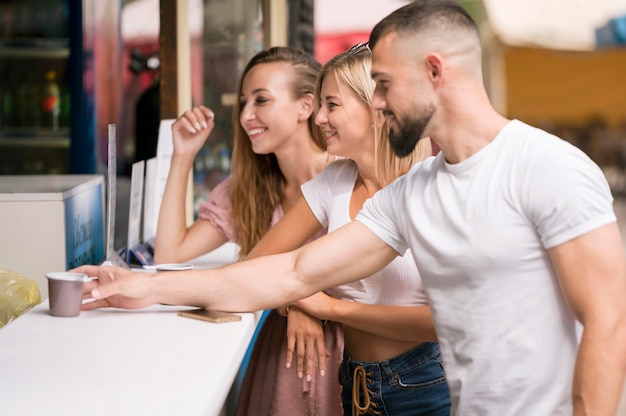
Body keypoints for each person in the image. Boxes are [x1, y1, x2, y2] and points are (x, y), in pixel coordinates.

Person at [77, 1, 626, 415]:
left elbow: (608, 320)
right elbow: (292, 270)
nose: (378, 101)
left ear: (435, 72)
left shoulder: (547, 166)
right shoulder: (415, 193)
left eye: (383, 84)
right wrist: (140, 286)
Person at [244, 44, 449, 415]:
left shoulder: (433, 188)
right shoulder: (335, 180)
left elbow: (444, 322)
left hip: (425, 385)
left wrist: (331, 308)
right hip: (355, 384)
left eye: (332, 105)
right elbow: (259, 263)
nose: (319, 117)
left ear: (376, 107)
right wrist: (301, 303)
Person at [153, 47, 344, 415]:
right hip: (282, 355)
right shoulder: (250, 189)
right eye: (243, 103)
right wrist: (183, 156)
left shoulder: (344, 175)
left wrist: (300, 300)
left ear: (306, 106)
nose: (245, 116)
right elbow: (169, 254)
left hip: (347, 352)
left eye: (261, 100)